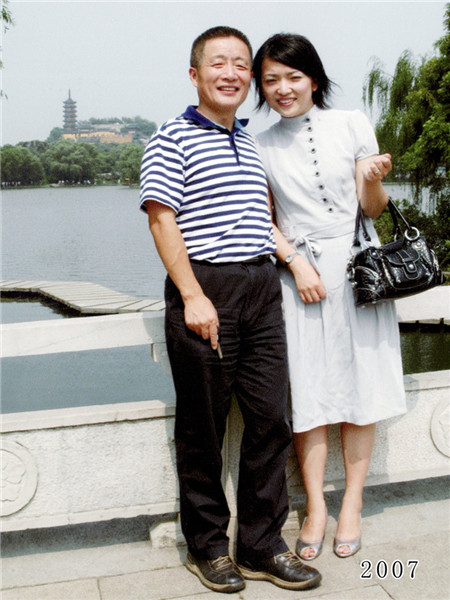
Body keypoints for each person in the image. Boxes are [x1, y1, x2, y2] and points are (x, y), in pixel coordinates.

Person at [139, 26, 321, 594]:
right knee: (204, 426)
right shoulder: (172, 136)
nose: (231, 73)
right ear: (195, 74)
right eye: (218, 63)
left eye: (241, 65)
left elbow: (264, 217)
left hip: (262, 286)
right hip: (206, 287)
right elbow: (161, 218)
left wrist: (290, 263)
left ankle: (263, 545)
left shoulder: (249, 139)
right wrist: (193, 295)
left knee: (271, 420)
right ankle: (209, 548)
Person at [252, 33, 407, 561]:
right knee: (311, 392)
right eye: (270, 79)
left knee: (361, 388)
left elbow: (374, 209)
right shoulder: (259, 140)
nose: (282, 88)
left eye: (292, 76)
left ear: (313, 78)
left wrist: (371, 179)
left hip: (360, 270)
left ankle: (353, 505)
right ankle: (316, 506)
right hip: (301, 277)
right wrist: (295, 265)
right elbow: (263, 220)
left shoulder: (352, 122)